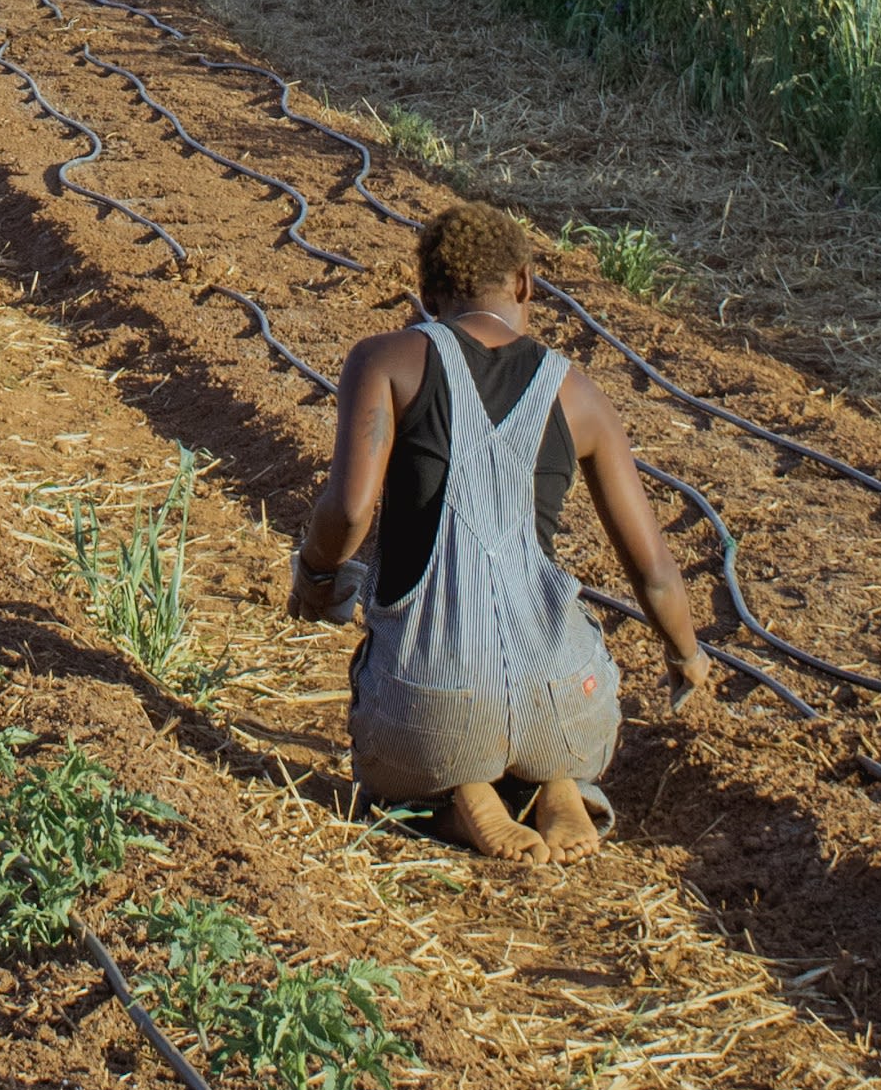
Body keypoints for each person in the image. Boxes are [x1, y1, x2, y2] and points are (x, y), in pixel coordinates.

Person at [287, 195, 712, 870]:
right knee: (556, 698)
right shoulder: (576, 393)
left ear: (427, 297)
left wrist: (313, 578)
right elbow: (654, 569)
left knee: (395, 769)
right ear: (524, 284)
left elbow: (348, 510)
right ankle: (558, 782)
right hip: (568, 704)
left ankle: (457, 802)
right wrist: (686, 656)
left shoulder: (387, 360)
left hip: (426, 711)